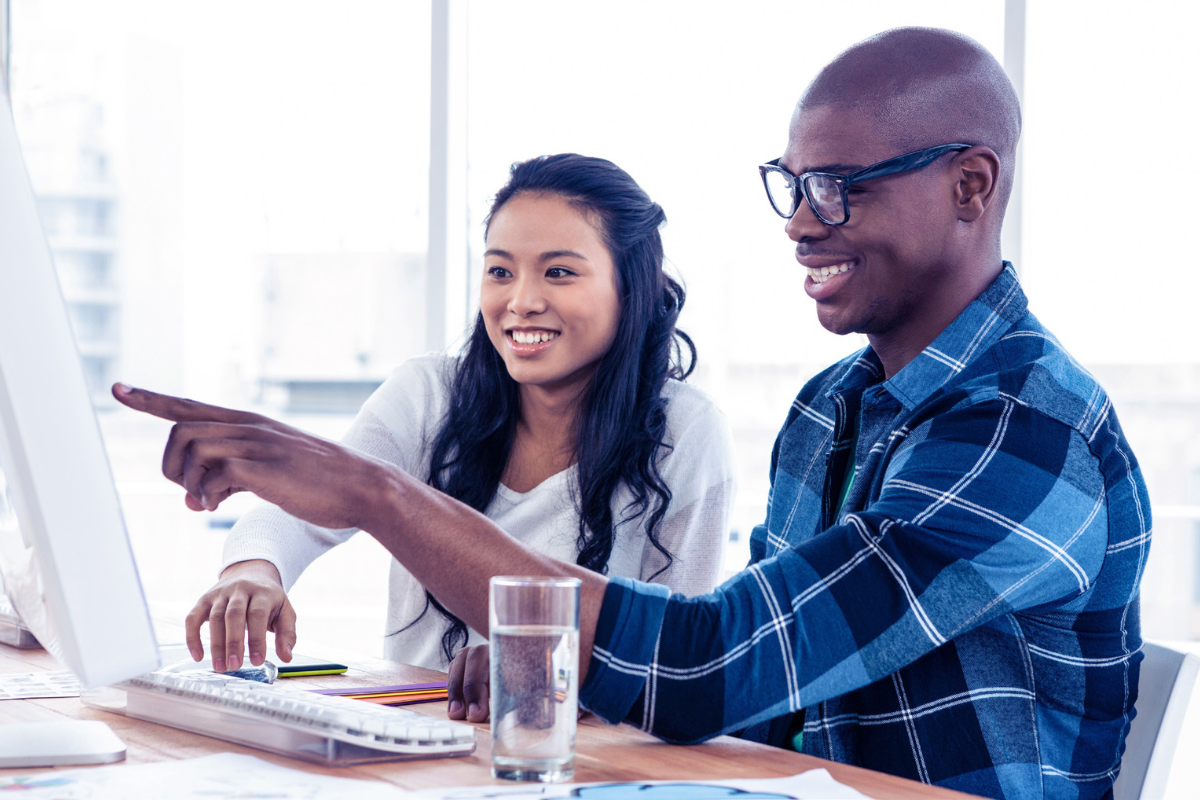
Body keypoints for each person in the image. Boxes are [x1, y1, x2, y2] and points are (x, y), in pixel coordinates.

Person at [115, 27, 1149, 800]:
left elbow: (713, 662)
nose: (798, 222)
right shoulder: (834, 407)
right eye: (791, 183)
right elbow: (770, 689)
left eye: (838, 187)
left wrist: (372, 495)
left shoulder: (1024, 425)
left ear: (972, 185)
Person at [166, 153, 736, 672]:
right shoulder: (427, 392)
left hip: (575, 764)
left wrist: (541, 681)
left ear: (630, 286)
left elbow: (675, 666)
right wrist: (253, 571)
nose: (521, 300)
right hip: (413, 741)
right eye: (500, 270)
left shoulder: (686, 432)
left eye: (559, 272)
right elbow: (310, 504)